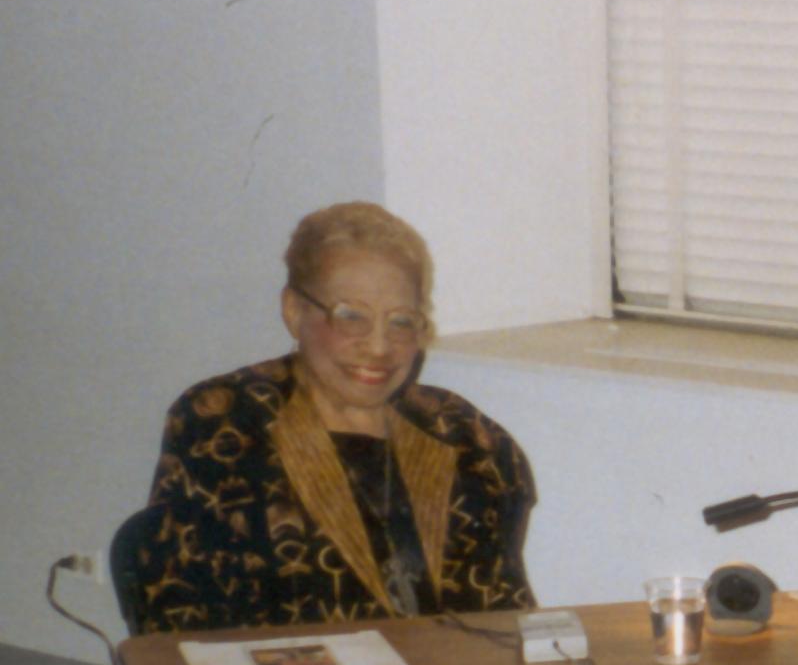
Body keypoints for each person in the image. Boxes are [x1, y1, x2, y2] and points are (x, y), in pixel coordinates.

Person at [129, 202, 537, 634]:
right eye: (351, 316)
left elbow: (505, 621)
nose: (380, 347)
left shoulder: (466, 437)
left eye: (402, 322)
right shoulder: (225, 423)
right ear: (293, 310)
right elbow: (182, 625)